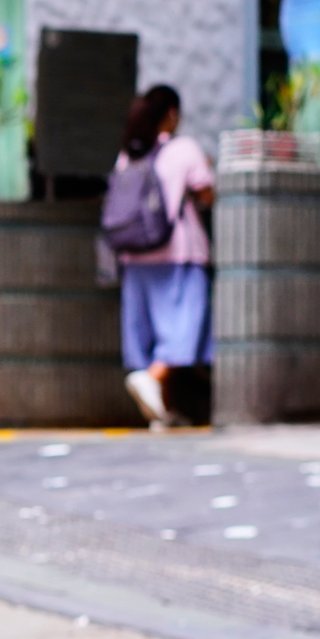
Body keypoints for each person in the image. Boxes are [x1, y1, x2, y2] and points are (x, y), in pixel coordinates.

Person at [114, 85, 215, 429]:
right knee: (185, 327)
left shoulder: (129, 154)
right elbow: (207, 193)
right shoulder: (184, 149)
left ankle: (162, 412)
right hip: (178, 252)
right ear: (171, 114)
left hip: (134, 256)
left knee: (149, 332)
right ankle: (152, 379)